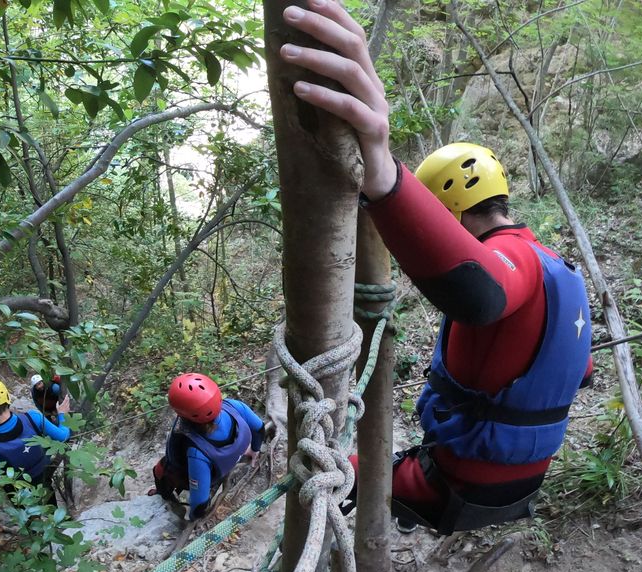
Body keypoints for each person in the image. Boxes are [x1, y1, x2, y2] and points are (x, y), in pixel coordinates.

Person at [279, 0, 593, 535]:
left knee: (334, 472)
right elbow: (578, 372)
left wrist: (382, 176)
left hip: (459, 482)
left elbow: (481, 294)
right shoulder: (559, 269)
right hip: (519, 479)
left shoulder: (513, 262)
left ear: (444, 208)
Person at [151, 372, 266, 521]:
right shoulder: (234, 406)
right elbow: (259, 428)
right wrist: (255, 449)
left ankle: (164, 496)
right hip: (228, 460)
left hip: (211, 471)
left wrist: (193, 516)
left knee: (159, 470)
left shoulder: (197, 452)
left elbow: (200, 501)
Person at [0, 379, 72, 503]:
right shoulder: (32, 418)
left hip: (20, 494)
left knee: (29, 519)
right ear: (7, 397)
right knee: (51, 509)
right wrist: (62, 414)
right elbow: (63, 436)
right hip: (44, 478)